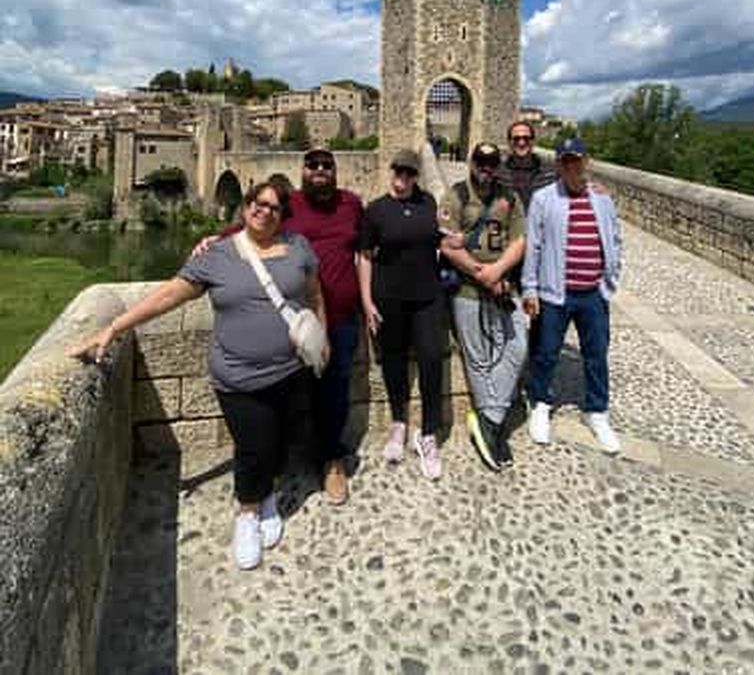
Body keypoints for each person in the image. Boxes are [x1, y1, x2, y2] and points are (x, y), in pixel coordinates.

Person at [69, 179, 325, 570]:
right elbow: (169, 295)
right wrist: (115, 327)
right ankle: (248, 512)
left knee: (280, 438)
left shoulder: (298, 247)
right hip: (237, 375)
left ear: (282, 214)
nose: (264, 210)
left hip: (292, 370)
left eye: (274, 207)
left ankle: (268, 495)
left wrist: (322, 337)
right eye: (258, 202)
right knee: (254, 444)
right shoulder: (218, 254)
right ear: (245, 206)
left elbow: (313, 291)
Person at [193, 150, 363, 506]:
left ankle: (331, 460)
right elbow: (253, 226)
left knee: (335, 391)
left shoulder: (352, 204)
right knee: (292, 395)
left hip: (342, 319)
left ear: (335, 171)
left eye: (326, 166)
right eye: (312, 165)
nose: (319, 170)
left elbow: (367, 249)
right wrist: (215, 239)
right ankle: (285, 460)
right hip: (294, 322)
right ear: (303, 171)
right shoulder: (290, 205)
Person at [522, 137, 622, 455]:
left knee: (596, 354)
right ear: (559, 165)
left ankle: (597, 412)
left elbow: (614, 239)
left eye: (576, 160)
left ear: (586, 161)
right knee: (547, 352)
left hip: (593, 293)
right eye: (565, 161)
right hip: (555, 293)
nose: (571, 166)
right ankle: (540, 404)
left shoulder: (603, 200)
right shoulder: (543, 199)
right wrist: (530, 288)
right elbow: (533, 246)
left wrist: (611, 277)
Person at [357, 149, 447, 480]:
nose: (402, 178)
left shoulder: (430, 204)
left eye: (409, 173)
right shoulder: (375, 211)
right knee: (393, 361)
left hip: (427, 298)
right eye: (399, 171)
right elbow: (365, 256)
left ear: (416, 176)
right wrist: (367, 302)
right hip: (388, 299)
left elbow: (443, 239)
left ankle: (428, 434)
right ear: (391, 171)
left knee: (431, 359)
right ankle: (399, 423)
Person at [438, 142, 528, 471]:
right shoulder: (456, 196)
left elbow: (520, 239)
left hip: (504, 286)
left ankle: (489, 417)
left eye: (492, 162)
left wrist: (499, 270)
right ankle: (493, 428)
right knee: (477, 358)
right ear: (471, 162)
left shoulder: (510, 197)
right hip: (468, 291)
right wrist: (482, 273)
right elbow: (447, 244)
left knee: (517, 347)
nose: (486, 167)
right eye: (481, 161)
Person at [498, 119, 553, 213]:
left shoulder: (550, 173)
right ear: (509, 141)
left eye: (526, 138)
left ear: (533, 141)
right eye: (516, 138)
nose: (521, 143)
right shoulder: (499, 173)